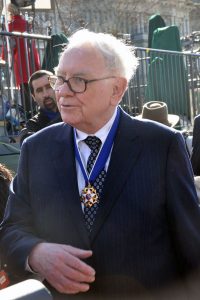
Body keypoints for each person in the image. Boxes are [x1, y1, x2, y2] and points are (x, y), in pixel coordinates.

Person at [1, 29, 200, 300]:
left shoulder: (162, 144)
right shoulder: (36, 148)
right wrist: (35, 253)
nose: (62, 92)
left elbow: (191, 247)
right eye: (60, 79)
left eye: (79, 81)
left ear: (116, 89)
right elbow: (12, 229)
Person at [1, 3, 40, 115]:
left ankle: (29, 114)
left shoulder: (11, 25)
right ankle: (36, 110)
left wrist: (3, 58)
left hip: (21, 60)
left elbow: (10, 45)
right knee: (32, 86)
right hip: (31, 57)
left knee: (24, 88)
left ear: (10, 12)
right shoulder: (26, 24)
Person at [19, 70, 62, 145]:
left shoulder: (76, 111)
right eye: (39, 90)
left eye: (49, 87)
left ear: (57, 87)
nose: (45, 94)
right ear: (34, 97)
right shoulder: (33, 125)